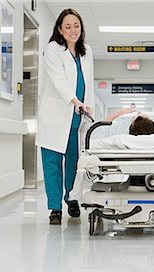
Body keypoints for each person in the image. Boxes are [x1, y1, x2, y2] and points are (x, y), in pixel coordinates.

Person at [36, 8, 94, 225]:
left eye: (76, 26)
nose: (73, 30)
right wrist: (75, 101)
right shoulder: (52, 49)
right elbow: (59, 80)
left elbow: (88, 83)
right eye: (68, 26)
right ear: (60, 29)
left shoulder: (86, 51)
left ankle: (71, 198)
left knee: (74, 162)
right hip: (56, 115)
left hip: (78, 118)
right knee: (52, 164)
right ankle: (54, 207)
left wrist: (88, 107)